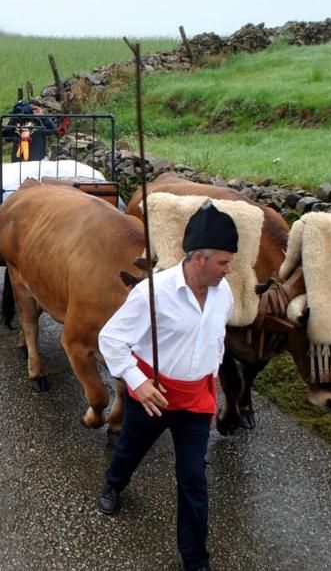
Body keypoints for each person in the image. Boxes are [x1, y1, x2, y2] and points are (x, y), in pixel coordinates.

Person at [96, 201, 237, 571]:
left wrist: (212, 375)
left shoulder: (224, 293)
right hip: (154, 397)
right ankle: (114, 482)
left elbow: (216, 338)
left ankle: (195, 559)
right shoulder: (152, 293)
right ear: (198, 259)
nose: (229, 269)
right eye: (223, 261)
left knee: (193, 478)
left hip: (196, 401)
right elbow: (111, 338)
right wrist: (138, 383)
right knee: (130, 450)